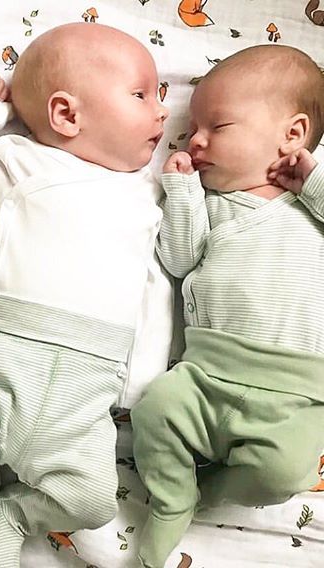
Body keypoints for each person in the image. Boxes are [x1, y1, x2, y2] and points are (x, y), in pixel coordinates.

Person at [0, 22, 172, 568]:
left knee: (95, 501)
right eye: (141, 94)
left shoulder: (149, 194)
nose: (162, 111)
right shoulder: (20, 162)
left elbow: (154, 281)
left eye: (160, 95)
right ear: (67, 115)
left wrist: (143, 377)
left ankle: (15, 513)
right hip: (7, 359)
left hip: (91, 383)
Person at [131, 44, 324, 568]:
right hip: (205, 372)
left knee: (284, 475)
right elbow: (178, 259)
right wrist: (182, 192)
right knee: (154, 413)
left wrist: (315, 184)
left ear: (292, 134)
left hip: (296, 390)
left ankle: (208, 491)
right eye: (194, 128)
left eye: (218, 126)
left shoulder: (311, 206)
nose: (196, 139)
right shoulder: (210, 205)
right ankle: (173, 497)